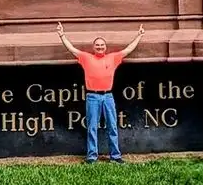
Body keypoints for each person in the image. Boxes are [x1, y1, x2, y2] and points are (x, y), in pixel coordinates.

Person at [57, 21, 145, 164]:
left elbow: (128, 49)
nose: (99, 47)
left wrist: (139, 36)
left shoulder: (113, 57)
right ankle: (92, 157)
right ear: (94, 47)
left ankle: (115, 156)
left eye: (102, 45)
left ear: (105, 47)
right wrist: (62, 35)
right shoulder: (86, 58)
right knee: (92, 127)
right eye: (97, 45)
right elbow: (72, 49)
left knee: (112, 126)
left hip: (108, 96)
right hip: (92, 96)